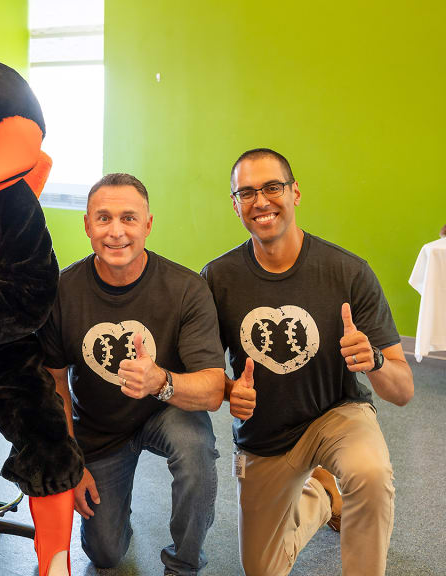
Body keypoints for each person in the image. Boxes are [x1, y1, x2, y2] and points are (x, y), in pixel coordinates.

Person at [201, 148, 414, 576]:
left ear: (295, 193)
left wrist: (372, 360)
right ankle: (320, 492)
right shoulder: (217, 278)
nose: (260, 201)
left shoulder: (347, 272)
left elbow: (404, 390)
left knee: (370, 474)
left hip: (336, 413)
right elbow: (205, 374)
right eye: (246, 192)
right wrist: (229, 391)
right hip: (265, 432)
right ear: (235, 204)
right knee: (262, 568)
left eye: (273, 187)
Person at [39, 173, 225, 576]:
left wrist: (160, 381)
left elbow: (212, 391)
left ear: (148, 224)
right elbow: (54, 382)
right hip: (99, 425)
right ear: (87, 224)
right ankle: (118, 513)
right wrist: (71, 460)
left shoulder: (186, 289)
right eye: (103, 218)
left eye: (129, 218)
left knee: (196, 451)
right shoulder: (63, 292)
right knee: (105, 554)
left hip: (166, 410)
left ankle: (184, 565)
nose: (116, 232)